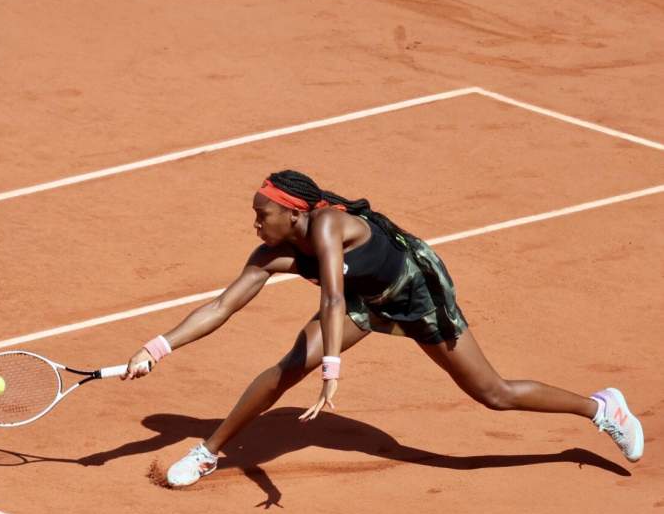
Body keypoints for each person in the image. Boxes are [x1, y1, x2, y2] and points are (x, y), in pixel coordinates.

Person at [122, 170, 644, 487]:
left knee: (494, 393)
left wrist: (332, 371)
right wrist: (156, 348)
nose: (255, 223)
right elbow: (220, 306)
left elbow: (330, 295)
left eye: (262, 214)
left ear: (292, 212)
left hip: (416, 293)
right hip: (364, 298)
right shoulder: (269, 255)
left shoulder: (326, 227)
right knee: (285, 370)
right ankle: (207, 452)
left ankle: (601, 409)